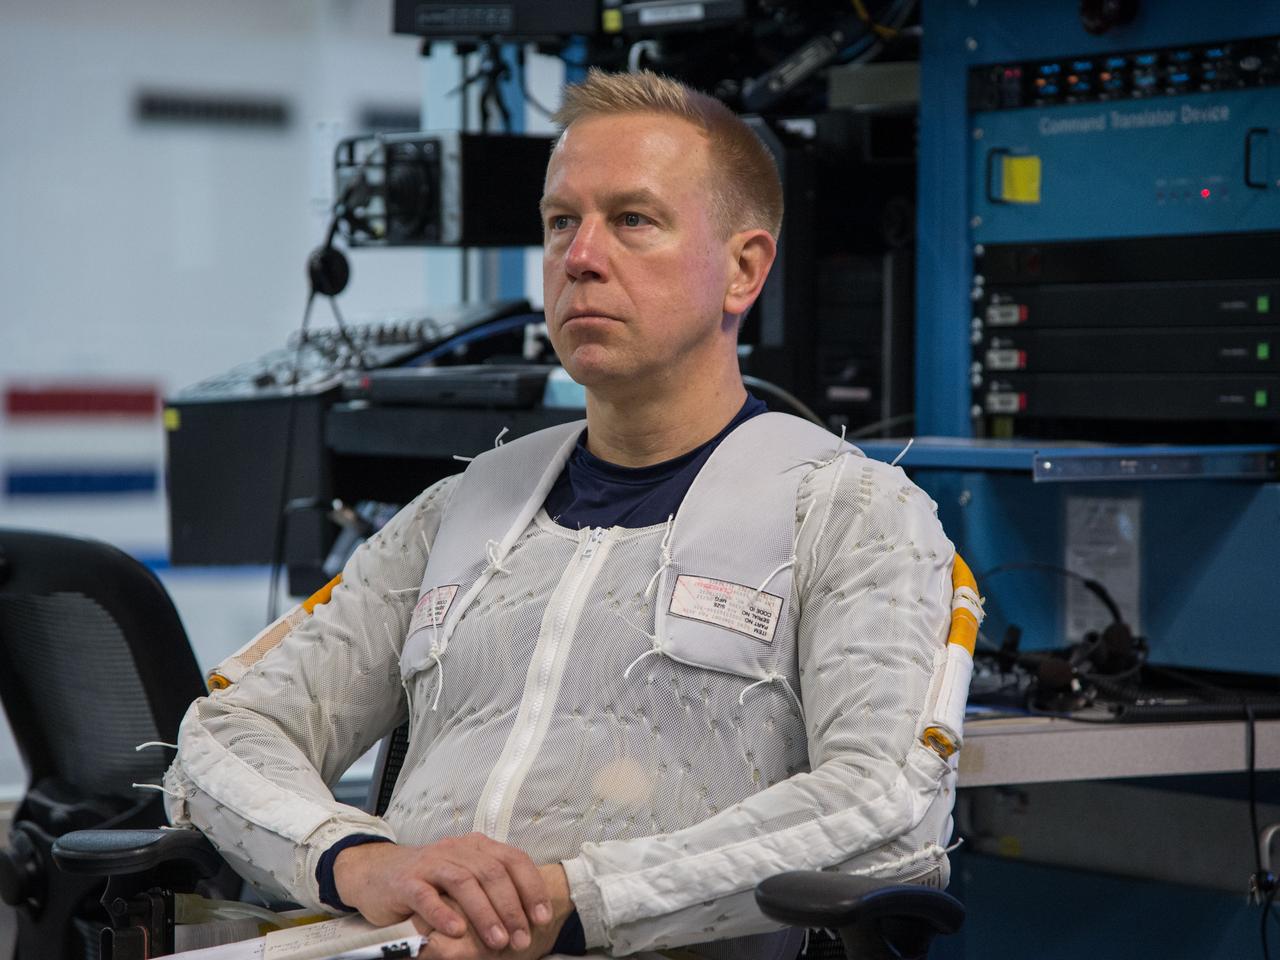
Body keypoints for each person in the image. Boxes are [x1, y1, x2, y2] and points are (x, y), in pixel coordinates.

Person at [164, 68, 969, 959]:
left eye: (633, 220)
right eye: (561, 223)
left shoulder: (849, 513)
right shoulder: (461, 514)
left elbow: (886, 807)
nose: (580, 256)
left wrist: (564, 904)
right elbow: (228, 730)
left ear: (744, 269)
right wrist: (357, 860)